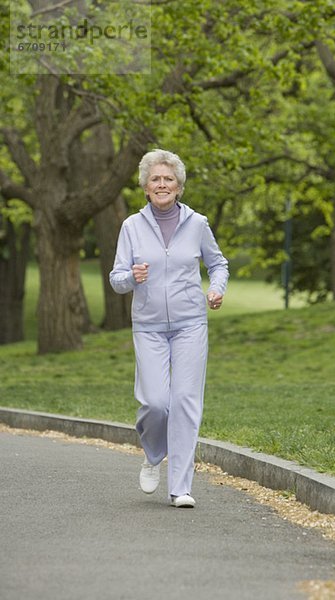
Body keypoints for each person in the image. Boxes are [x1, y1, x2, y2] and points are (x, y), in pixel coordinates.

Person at [109, 149, 229, 508]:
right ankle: (152, 454)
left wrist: (216, 288)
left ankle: (180, 487)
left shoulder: (198, 224)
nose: (162, 184)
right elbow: (116, 280)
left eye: (169, 179)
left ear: (179, 186)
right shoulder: (131, 226)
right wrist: (133, 276)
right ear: (146, 187)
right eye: (156, 179)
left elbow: (218, 263)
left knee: (185, 402)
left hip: (190, 323)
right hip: (148, 327)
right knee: (156, 403)